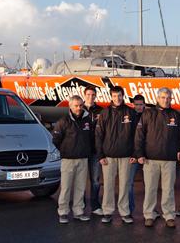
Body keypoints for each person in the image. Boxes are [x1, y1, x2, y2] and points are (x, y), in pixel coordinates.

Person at [134, 87, 180, 228]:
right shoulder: (148, 114)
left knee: (168, 189)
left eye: (168, 98)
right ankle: (149, 214)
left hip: (169, 159)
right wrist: (139, 154)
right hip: (150, 159)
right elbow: (139, 136)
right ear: (158, 98)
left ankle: (169, 215)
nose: (166, 100)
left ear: (171, 99)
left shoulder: (177, 115)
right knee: (150, 188)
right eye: (163, 97)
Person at [96, 86, 138, 224]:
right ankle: (107, 211)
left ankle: (125, 212)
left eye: (119, 95)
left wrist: (135, 153)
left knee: (124, 185)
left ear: (123, 95)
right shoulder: (105, 113)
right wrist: (100, 155)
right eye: (114, 96)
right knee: (108, 185)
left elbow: (136, 136)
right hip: (108, 157)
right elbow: (99, 135)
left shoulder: (131, 113)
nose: (117, 98)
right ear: (111, 97)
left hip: (126, 156)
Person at [52, 95, 94, 224]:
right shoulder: (63, 121)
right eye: (76, 105)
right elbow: (56, 140)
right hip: (68, 160)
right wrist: (65, 151)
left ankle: (78, 212)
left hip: (83, 159)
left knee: (80, 187)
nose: (79, 108)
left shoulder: (87, 120)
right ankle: (63, 212)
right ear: (70, 106)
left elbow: (91, 138)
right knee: (66, 188)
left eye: (81, 105)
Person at [83, 85, 103, 216]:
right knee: (80, 180)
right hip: (82, 151)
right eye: (88, 95)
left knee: (95, 180)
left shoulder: (101, 111)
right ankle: (81, 205)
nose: (91, 97)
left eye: (93, 95)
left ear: (96, 96)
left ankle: (95, 205)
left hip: (96, 151)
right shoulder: (78, 108)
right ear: (84, 95)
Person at [128, 94, 146, 214]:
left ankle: (151, 210)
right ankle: (129, 209)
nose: (139, 107)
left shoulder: (150, 116)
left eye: (141, 105)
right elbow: (128, 138)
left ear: (144, 105)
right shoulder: (129, 118)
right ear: (133, 105)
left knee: (150, 185)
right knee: (129, 183)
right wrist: (134, 155)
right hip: (133, 156)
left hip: (147, 156)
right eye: (137, 105)